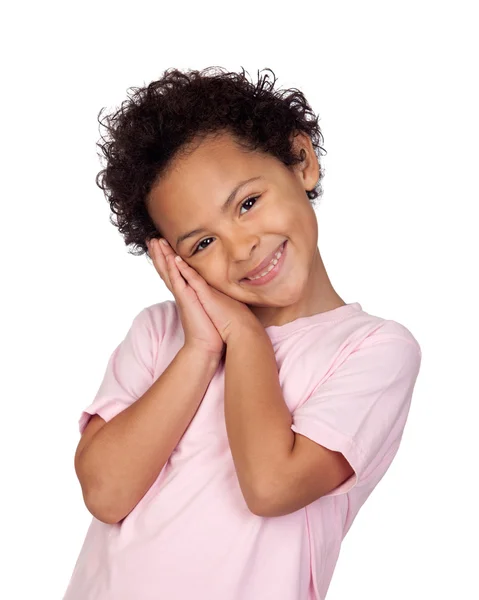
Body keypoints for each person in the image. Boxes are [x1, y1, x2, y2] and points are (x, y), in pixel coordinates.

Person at [63, 67, 422, 600]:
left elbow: (272, 485)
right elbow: (106, 492)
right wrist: (203, 348)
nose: (241, 247)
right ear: (173, 259)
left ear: (301, 161)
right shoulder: (162, 332)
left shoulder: (373, 350)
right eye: (202, 243)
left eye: (248, 204)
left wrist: (247, 341)